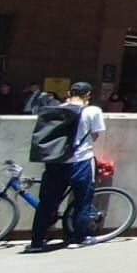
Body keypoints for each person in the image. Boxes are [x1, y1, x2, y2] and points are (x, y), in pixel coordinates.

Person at [24, 81, 105, 253]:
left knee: (46, 203)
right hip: (81, 161)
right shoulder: (92, 111)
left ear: (69, 92)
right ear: (88, 94)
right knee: (82, 201)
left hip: (55, 162)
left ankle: (36, 242)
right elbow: (95, 135)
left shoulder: (57, 109)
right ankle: (78, 238)